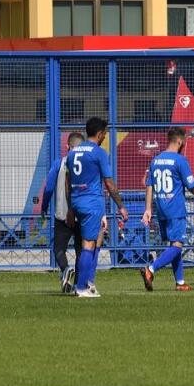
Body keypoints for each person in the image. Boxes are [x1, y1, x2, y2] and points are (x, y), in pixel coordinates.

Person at [140, 127, 194, 292]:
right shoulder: (180, 160)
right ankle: (151, 269)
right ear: (180, 141)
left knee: (175, 244)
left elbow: (149, 185)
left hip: (161, 208)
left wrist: (148, 209)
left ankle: (180, 282)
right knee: (177, 245)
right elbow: (192, 186)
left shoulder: (155, 160)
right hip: (175, 209)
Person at [64, 118, 128, 298]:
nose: (105, 137)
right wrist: (121, 206)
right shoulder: (99, 153)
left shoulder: (73, 153)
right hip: (92, 203)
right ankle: (82, 287)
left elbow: (68, 182)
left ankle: (88, 283)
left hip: (77, 201)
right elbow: (108, 182)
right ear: (99, 134)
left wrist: (70, 208)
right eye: (105, 134)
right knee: (89, 244)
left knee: (93, 241)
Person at [43, 131, 89, 294]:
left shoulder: (60, 163)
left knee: (58, 249)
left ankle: (65, 269)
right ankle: (77, 285)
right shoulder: (88, 163)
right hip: (82, 213)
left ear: (67, 146)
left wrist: (44, 206)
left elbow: (48, 187)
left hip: (62, 215)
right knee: (80, 251)